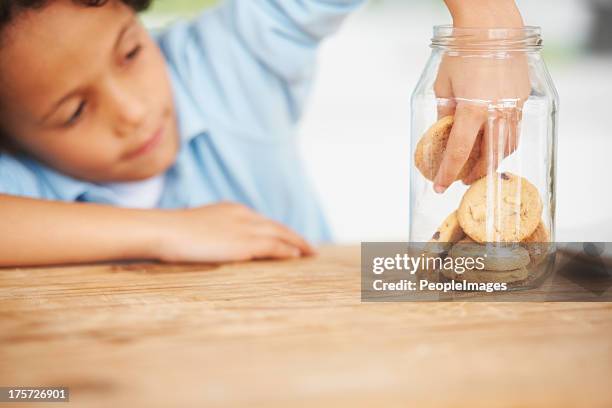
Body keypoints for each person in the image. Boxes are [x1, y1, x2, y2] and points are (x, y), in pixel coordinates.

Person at [0, 0, 526, 266]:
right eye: (73, 113)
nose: (133, 112)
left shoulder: (228, 59)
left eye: (132, 52)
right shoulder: (17, 177)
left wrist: (487, 22)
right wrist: (163, 230)